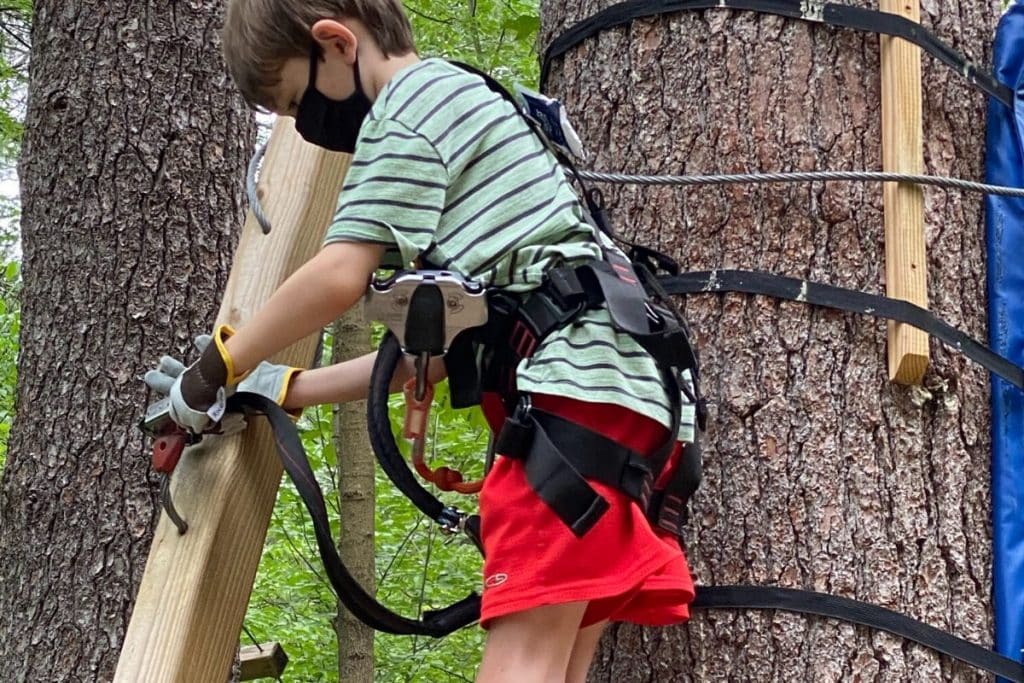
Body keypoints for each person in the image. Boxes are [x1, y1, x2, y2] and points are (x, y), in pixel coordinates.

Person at [146, 1, 698, 681]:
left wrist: (216, 367)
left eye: (296, 100)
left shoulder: (408, 107)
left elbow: (337, 274)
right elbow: (420, 361)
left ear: (335, 42)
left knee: (520, 663)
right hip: (631, 401)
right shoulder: (470, 115)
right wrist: (287, 388)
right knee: (555, 663)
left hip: (574, 396)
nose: (306, 124)